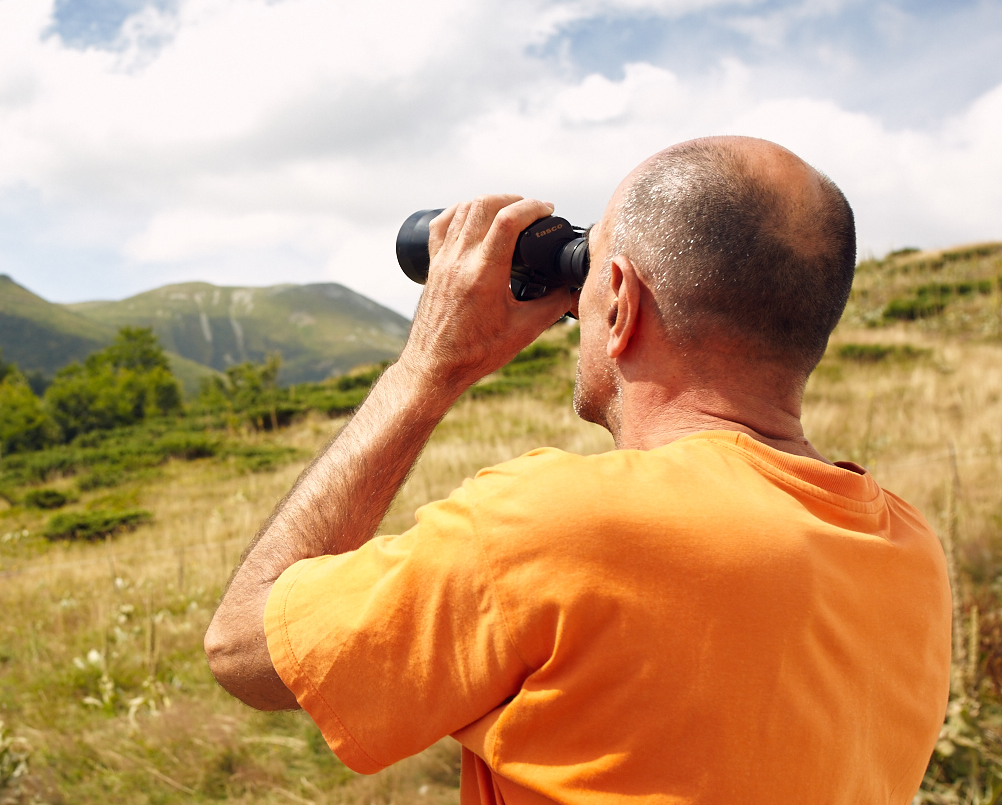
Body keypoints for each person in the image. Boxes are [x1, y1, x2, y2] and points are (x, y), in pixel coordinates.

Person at [204, 136, 951, 803]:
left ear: (620, 300)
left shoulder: (555, 527)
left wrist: (426, 371)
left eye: (590, 270)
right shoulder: (908, 548)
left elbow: (243, 649)